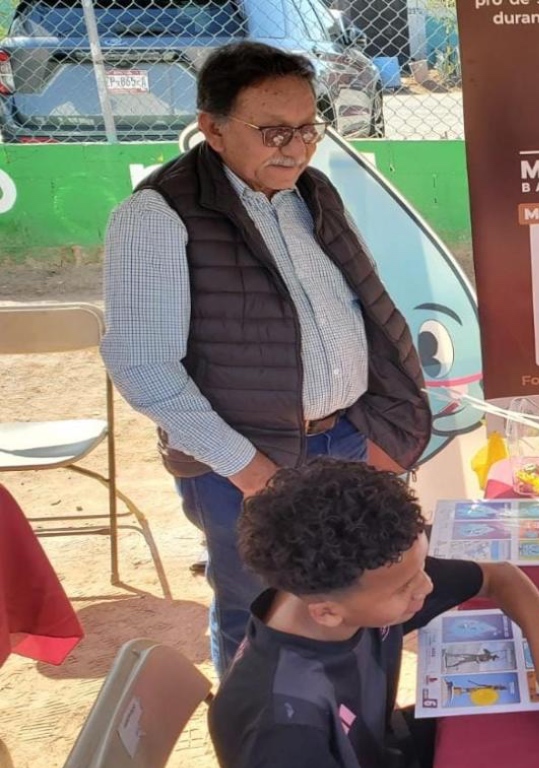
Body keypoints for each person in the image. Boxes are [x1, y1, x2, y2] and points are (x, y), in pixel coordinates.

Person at [100, 42, 430, 677]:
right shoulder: (157, 215)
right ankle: (263, 755)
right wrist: (253, 474)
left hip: (341, 439)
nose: (297, 146)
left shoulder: (311, 190)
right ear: (213, 129)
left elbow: (360, 306)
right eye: (274, 130)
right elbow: (145, 369)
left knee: (362, 597)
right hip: (239, 462)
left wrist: (372, 423)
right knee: (258, 608)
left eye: (309, 127)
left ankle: (359, 728)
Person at [210, 459, 539, 768]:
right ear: (328, 614)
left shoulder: (355, 583)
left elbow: (496, 577)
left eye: (421, 566)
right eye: (406, 586)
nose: (426, 587)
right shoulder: (283, 734)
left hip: (392, 756)